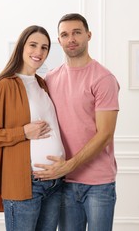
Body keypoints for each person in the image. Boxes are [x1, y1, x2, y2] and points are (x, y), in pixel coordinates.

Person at [0, 25, 65, 231]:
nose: (38, 52)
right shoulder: (2, 85)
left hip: (54, 183)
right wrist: (23, 132)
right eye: (33, 45)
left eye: (44, 47)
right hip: (24, 184)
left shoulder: (42, 84)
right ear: (21, 47)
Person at [33, 13, 120, 231]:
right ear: (59, 40)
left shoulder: (103, 78)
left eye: (77, 32)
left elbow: (105, 134)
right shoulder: (50, 78)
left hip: (98, 183)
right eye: (65, 34)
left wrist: (67, 166)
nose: (71, 38)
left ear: (88, 35)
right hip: (63, 183)